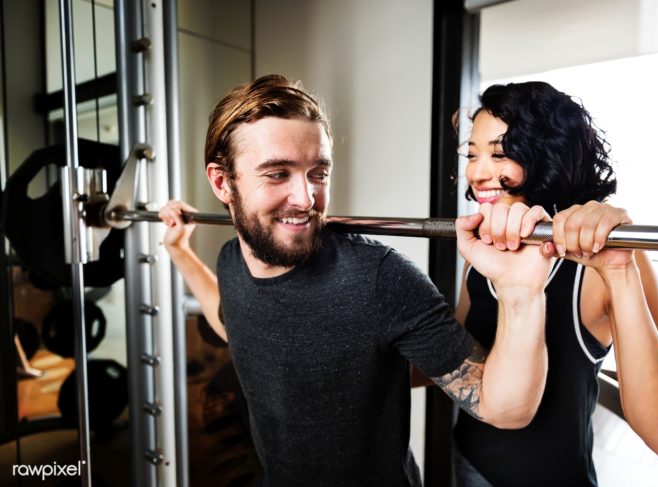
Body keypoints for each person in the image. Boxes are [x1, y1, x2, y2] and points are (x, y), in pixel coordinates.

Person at [159, 74, 557, 486]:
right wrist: (179, 251)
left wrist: (520, 290)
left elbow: (504, 407)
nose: (306, 198)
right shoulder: (231, 262)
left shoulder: (378, 278)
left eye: (318, 173)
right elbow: (234, 323)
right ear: (223, 182)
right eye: (277, 174)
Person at [450, 81, 658, 486]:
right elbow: (458, 361)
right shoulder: (479, 259)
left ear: (547, 153)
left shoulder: (602, 270)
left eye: (499, 153)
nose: (477, 173)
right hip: (469, 466)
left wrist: (620, 272)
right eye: (473, 155)